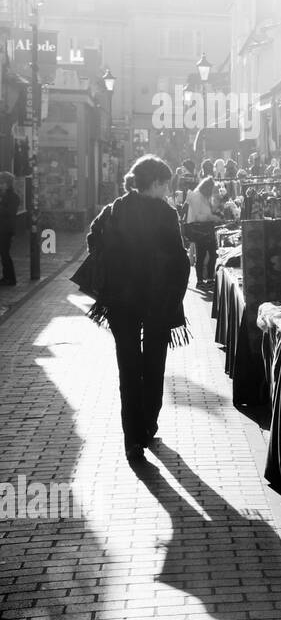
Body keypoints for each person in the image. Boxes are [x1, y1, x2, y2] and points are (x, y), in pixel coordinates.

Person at [85, 155, 191, 463]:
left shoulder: (115, 209)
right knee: (154, 362)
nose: (167, 192)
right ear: (156, 183)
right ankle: (148, 424)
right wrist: (175, 292)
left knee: (127, 367)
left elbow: (93, 239)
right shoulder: (165, 214)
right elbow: (178, 259)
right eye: (165, 185)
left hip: (120, 301)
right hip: (155, 300)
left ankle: (132, 438)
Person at [184, 176, 222, 287]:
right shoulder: (196, 197)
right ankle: (200, 281)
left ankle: (210, 279)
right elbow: (197, 216)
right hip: (200, 230)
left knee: (212, 254)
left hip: (207, 228)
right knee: (201, 256)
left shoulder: (204, 197)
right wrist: (211, 217)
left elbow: (207, 211)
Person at [0, 171, 19, 286]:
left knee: (5, 254)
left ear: (9, 184)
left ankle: (11, 279)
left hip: (5, 230)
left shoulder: (13, 197)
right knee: (3, 254)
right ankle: (6, 276)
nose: (1, 185)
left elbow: (9, 212)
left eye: (3, 183)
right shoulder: (2, 195)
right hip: (2, 228)